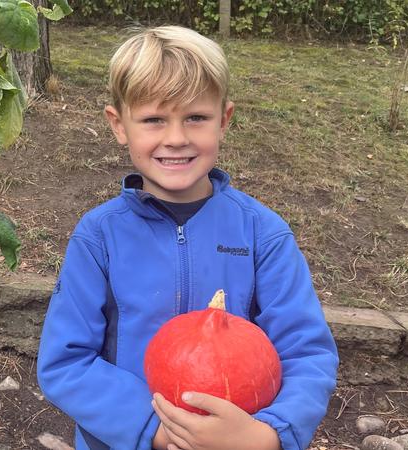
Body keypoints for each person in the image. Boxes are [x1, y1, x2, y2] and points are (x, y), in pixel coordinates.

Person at [35, 25, 339, 450]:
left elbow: (306, 354)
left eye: (196, 117)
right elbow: (66, 362)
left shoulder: (263, 234)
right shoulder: (98, 237)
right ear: (119, 125)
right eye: (154, 119)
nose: (176, 138)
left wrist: (268, 435)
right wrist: (155, 432)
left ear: (224, 120)